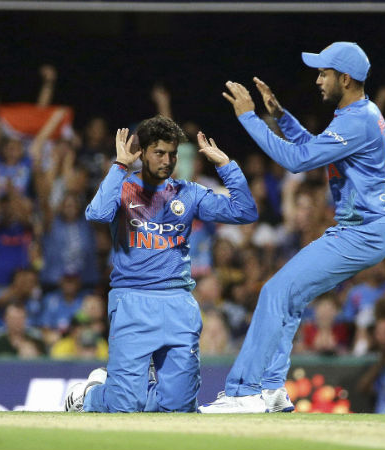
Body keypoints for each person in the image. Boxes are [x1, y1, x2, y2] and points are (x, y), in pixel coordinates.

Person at [199, 42, 385, 413]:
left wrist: (249, 118)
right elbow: (314, 147)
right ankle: (272, 388)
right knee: (289, 298)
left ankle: (244, 391)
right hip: (363, 228)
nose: (318, 80)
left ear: (345, 79)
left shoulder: (357, 120)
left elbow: (297, 160)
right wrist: (281, 117)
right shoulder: (358, 114)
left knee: (275, 292)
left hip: (364, 231)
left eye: (324, 73)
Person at [63, 116, 257, 413]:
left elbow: (245, 212)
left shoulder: (188, 193)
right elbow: (97, 214)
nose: (167, 161)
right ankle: (89, 396)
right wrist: (119, 166)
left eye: (172, 154)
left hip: (178, 303)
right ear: (142, 153)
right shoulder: (123, 187)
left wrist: (226, 166)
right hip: (133, 300)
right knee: (124, 406)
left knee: (179, 407)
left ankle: (131, 389)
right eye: (159, 153)